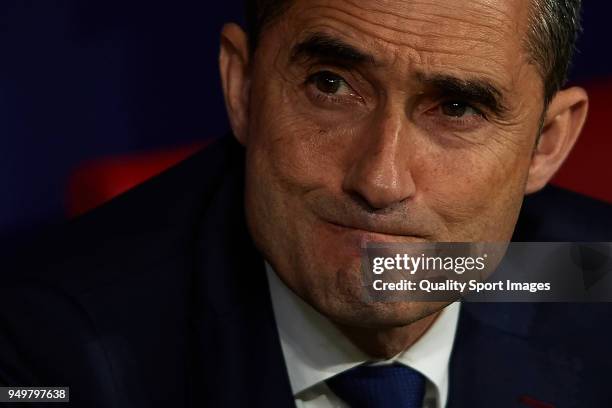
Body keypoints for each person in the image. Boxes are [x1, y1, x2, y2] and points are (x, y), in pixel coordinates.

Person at [2, 0, 612, 407]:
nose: (380, 180)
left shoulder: (585, 277)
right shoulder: (53, 354)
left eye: (456, 108)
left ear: (547, 143)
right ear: (242, 86)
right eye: (331, 86)